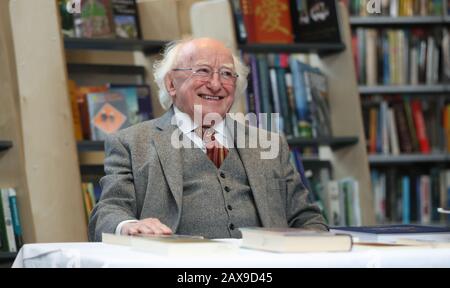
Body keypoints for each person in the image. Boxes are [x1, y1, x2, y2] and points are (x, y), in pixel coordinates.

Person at [88, 38, 327, 241]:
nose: (215, 84)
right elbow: (108, 211)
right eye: (202, 71)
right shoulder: (130, 143)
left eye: (226, 74)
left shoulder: (269, 144)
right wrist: (128, 225)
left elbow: (306, 218)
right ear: (171, 84)